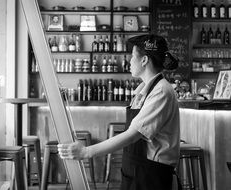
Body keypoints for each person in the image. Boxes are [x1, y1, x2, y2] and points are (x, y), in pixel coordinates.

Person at [58, 34, 181, 190]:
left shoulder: (161, 91)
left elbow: (133, 135)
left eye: (132, 57)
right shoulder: (143, 89)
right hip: (137, 170)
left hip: (152, 174)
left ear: (144, 60)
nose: (129, 61)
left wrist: (85, 152)